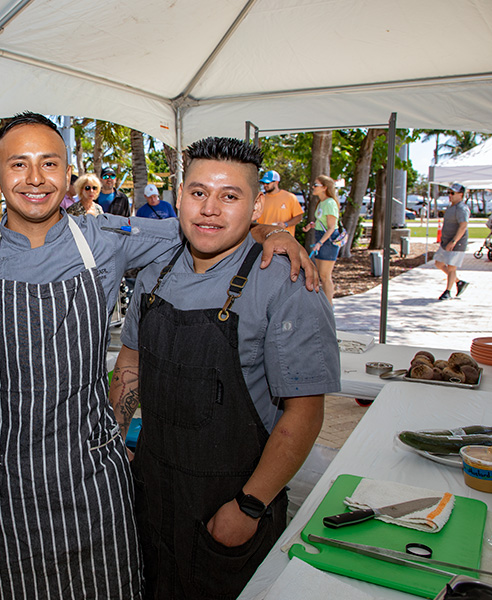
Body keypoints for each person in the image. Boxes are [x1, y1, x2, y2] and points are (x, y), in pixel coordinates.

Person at [0, 114, 317, 599]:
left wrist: (267, 233)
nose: (34, 179)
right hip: (8, 481)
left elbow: (208, 229)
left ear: (69, 173)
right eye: (18, 164)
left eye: (49, 163)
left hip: (94, 475)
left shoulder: (109, 239)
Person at [110, 137, 339, 599]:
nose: (210, 209)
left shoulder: (287, 282)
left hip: (232, 503)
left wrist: (250, 506)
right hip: (151, 493)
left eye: (229, 196)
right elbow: (131, 358)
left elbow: (304, 414)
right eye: (198, 193)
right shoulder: (155, 273)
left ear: (256, 207)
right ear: (179, 197)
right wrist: (120, 440)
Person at [302, 175, 341, 305]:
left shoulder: (330, 203)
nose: (313, 187)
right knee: (321, 276)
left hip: (328, 241)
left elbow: (331, 228)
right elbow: (322, 221)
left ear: (324, 188)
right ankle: (324, 304)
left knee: (325, 276)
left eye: (316, 185)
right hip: (321, 238)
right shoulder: (321, 202)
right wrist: (312, 225)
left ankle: (329, 306)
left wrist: (319, 243)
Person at [434, 183, 470, 300]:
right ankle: (459, 282)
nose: (450, 195)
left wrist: (454, 241)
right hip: (446, 241)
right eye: (449, 193)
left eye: (452, 193)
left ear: (461, 194)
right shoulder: (451, 207)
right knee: (439, 263)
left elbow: (463, 226)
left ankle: (447, 292)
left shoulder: (461, 208)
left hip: (457, 242)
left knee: (451, 267)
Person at [256, 169, 304, 235]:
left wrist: (286, 224)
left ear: (276, 182)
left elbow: (299, 217)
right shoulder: (261, 199)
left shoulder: (290, 197)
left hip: (285, 239)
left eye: (267, 183)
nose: (265, 185)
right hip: (266, 239)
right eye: (263, 183)